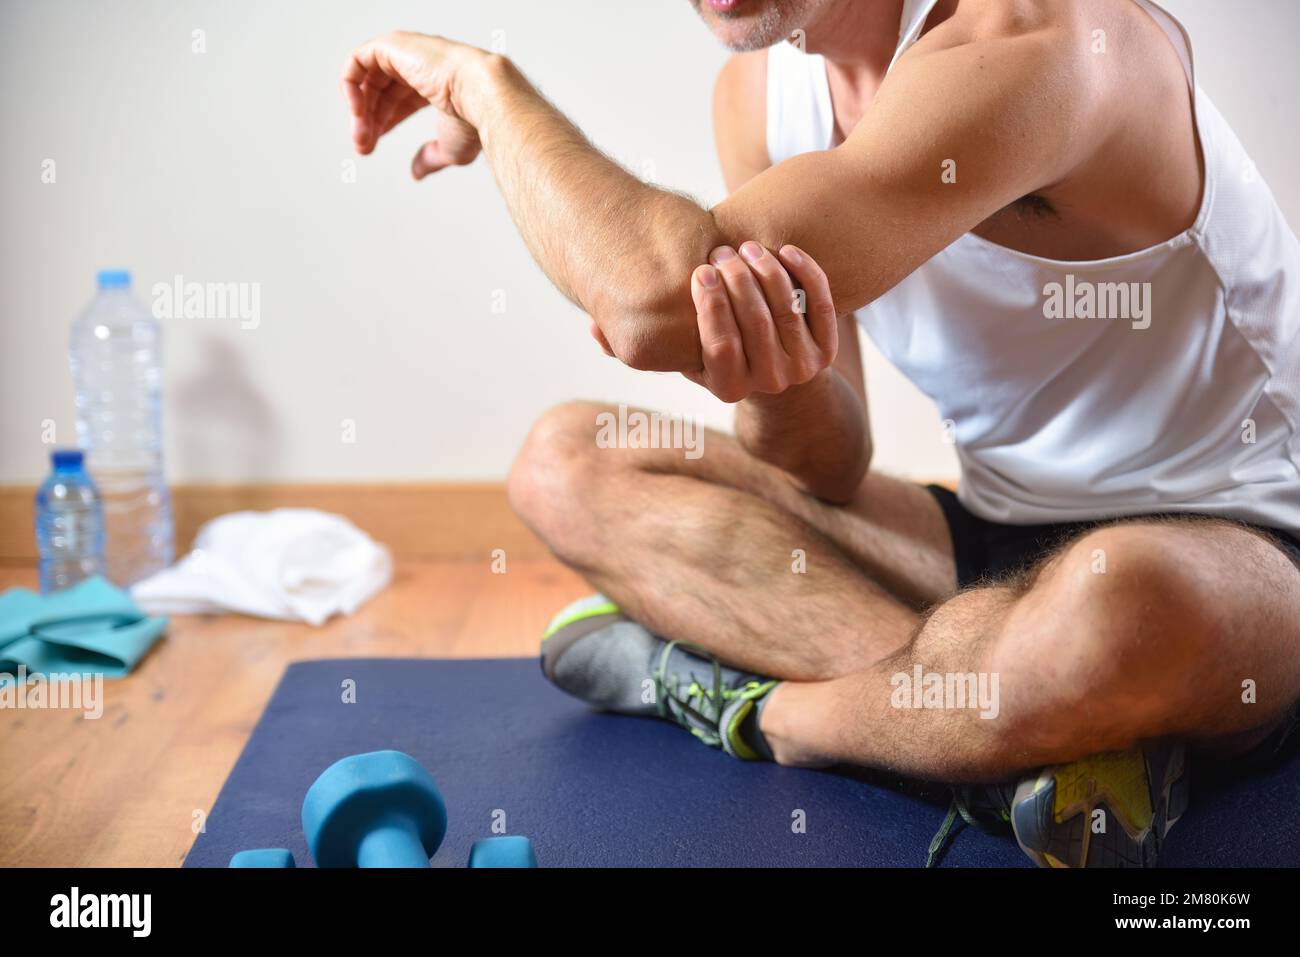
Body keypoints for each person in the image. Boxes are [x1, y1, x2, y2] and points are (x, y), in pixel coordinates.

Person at [340, 0, 1300, 866]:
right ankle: (1021, 733)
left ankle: (766, 709)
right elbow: (827, 463)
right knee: (566, 460)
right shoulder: (756, 100)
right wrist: (768, 376)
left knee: (1116, 605)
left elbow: (645, 300)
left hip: (1241, 552)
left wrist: (485, 86)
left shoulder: (1041, 41)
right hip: (994, 540)